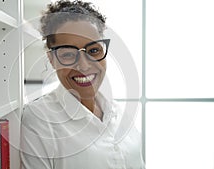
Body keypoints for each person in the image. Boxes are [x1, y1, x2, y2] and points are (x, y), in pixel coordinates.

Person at [20, 0, 145, 168]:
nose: (84, 65)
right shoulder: (39, 120)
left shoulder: (118, 112)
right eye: (68, 54)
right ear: (51, 59)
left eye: (94, 50)